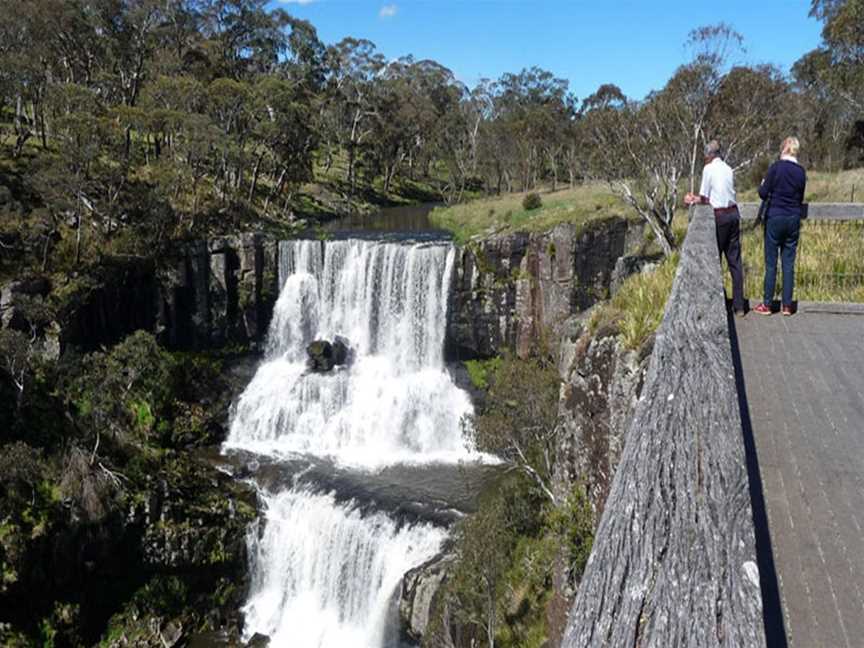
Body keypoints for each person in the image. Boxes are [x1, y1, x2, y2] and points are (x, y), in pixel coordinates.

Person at [685, 140, 745, 315]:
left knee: (714, 261)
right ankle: (739, 305)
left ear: (710, 155)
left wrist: (692, 199)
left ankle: (715, 305)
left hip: (720, 218)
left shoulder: (708, 169)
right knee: (735, 261)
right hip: (734, 214)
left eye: (705, 155)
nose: (705, 159)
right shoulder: (728, 169)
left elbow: (705, 198)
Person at [753, 137, 807, 316]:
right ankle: (787, 305)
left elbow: (763, 193)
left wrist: (763, 183)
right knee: (788, 264)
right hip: (793, 218)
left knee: (771, 263)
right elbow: (800, 198)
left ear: (784, 148)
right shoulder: (801, 172)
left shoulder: (775, 168)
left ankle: (767, 305)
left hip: (775, 217)